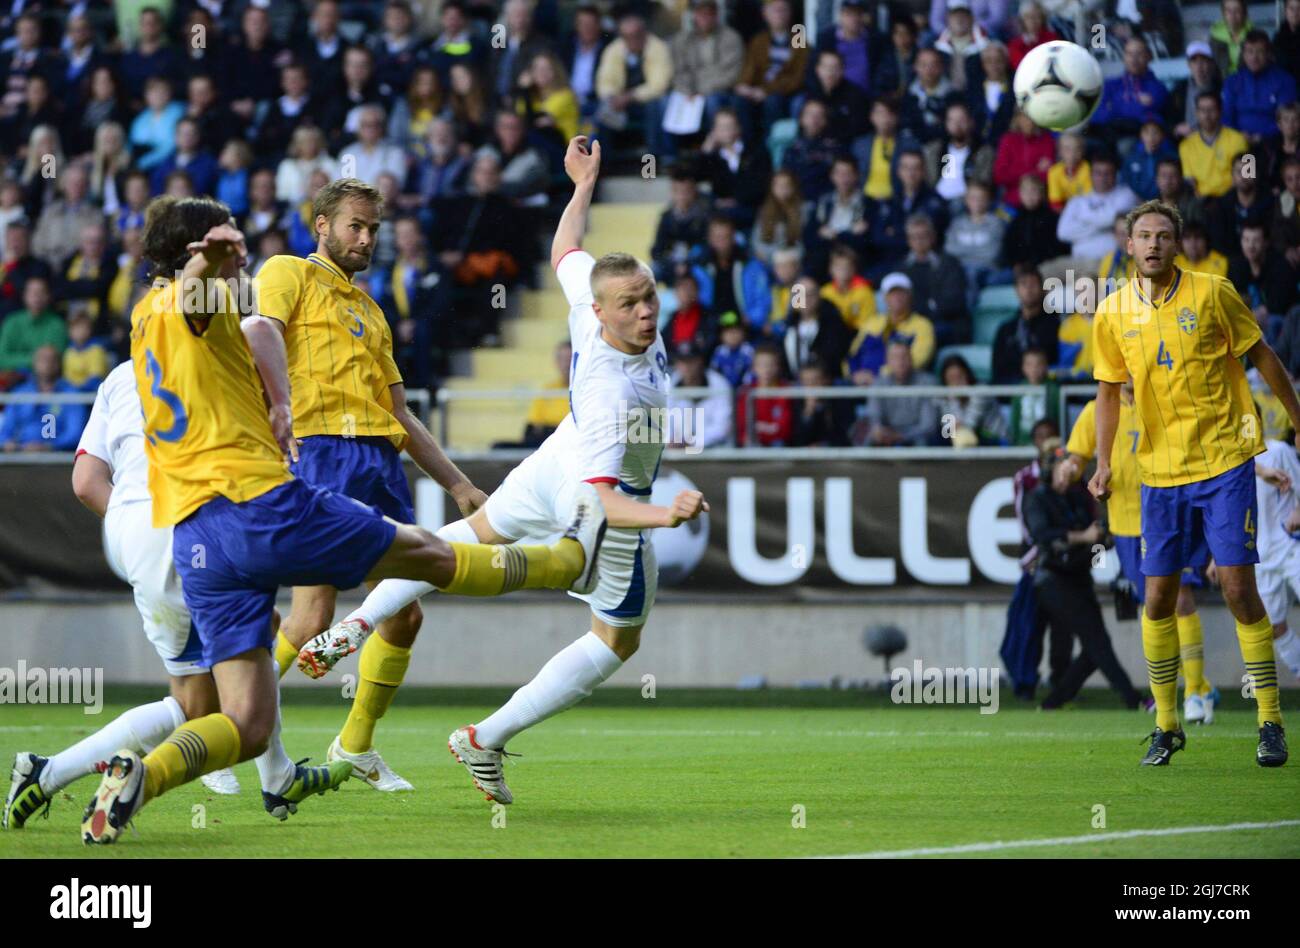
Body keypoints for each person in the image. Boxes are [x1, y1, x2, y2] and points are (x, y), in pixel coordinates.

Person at [78, 194, 607, 843]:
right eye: (227, 240)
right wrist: (218, 288)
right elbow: (223, 310)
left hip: (199, 535)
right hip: (261, 503)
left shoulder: (147, 319)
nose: (242, 249)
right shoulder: (198, 300)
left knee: (244, 725)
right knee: (429, 558)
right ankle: (567, 558)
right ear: (194, 255)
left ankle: (141, 777)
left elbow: (226, 320)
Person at [296, 137, 708, 806]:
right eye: (631, 303)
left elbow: (564, 250)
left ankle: (359, 625)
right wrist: (667, 512)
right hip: (597, 486)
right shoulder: (615, 394)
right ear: (600, 312)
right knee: (615, 641)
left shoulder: (591, 300)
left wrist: (583, 184)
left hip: (554, 457)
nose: (645, 311)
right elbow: (605, 506)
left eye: (648, 297)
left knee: (478, 530)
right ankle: (485, 738)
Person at [3, 362, 330, 829]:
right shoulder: (217, 355)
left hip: (139, 542)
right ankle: (158, 778)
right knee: (228, 705)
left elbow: (84, 482)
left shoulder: (120, 375)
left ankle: (44, 773)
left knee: (200, 697)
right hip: (202, 532)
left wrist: (139, 525)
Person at [1089, 198, 1300, 767]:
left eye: (1163, 235)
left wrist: (1299, 420)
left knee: (1236, 587)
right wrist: (1104, 462)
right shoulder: (1111, 313)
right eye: (1143, 236)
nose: (1153, 244)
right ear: (1128, 246)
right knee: (1156, 597)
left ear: (1176, 244)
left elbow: (1262, 354)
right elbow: (1108, 391)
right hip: (1159, 474)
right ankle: (1165, 725)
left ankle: (1270, 721)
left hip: (1225, 461)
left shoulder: (1213, 292)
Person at [1062, 382, 1218, 723]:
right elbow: (1077, 456)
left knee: (1181, 599)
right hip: (1127, 525)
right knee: (1155, 607)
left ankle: (1192, 690)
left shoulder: (1165, 398)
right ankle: (1195, 688)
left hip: (1170, 511)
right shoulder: (1097, 409)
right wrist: (1070, 469)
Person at [1026, 443, 1145, 710]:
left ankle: (1053, 702)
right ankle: (1134, 699)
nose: (1068, 471)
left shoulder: (1078, 496)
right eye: (1061, 466)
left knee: (1095, 649)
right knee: (1097, 642)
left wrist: (1103, 537)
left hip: (1079, 575)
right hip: (1054, 579)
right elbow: (1043, 536)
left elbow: (1097, 536)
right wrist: (1085, 537)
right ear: (1049, 470)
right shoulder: (1037, 498)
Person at [0, 344, 85, 452]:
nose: (47, 364)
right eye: (42, 359)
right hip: (20, 455)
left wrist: (50, 446)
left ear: (59, 364)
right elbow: (5, 431)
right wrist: (8, 443)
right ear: (34, 363)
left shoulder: (72, 394)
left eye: (52, 360)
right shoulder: (20, 393)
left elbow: (75, 434)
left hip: (58, 459)